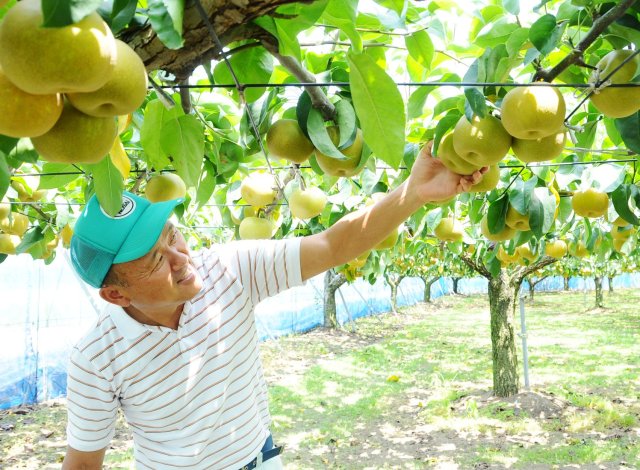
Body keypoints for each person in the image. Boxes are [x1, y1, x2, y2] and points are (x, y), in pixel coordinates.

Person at [61, 143, 484, 470]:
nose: (181, 259)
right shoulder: (95, 358)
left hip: (261, 458)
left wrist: (415, 192)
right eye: (156, 259)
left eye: (172, 236)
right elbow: (82, 463)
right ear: (116, 294)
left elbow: (333, 244)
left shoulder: (228, 269)